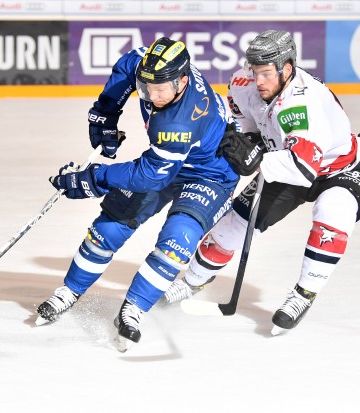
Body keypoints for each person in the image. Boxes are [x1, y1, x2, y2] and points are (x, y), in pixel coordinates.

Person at [162, 30, 360, 335]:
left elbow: (303, 170)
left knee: (333, 215)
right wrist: (249, 142)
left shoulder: (302, 105)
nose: (258, 80)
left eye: (265, 73)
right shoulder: (242, 83)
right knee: (232, 227)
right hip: (285, 160)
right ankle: (192, 281)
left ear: (286, 69)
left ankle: (304, 294)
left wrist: (259, 159)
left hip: (338, 168)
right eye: (254, 71)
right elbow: (245, 122)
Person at [35, 37, 239, 351]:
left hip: (210, 173)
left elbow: (147, 175)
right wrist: (105, 113)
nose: (152, 96)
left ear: (183, 81)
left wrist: (94, 178)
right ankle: (70, 290)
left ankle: (135, 307)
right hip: (167, 160)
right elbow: (128, 64)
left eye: (160, 90)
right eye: (146, 88)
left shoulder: (179, 120)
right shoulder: (152, 68)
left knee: (177, 239)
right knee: (111, 225)